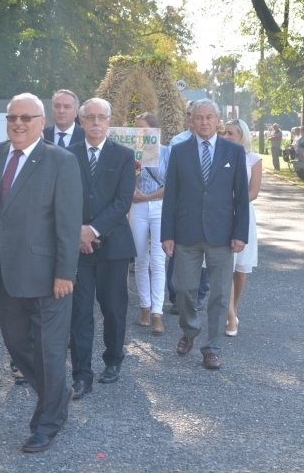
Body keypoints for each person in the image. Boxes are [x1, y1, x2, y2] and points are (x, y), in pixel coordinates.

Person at [0, 93, 82, 453]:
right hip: (3, 273)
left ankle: (47, 421)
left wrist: (65, 272)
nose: (18, 123)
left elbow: (67, 222)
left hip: (48, 276)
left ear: (41, 122)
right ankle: (58, 393)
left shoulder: (61, 161)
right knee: (16, 344)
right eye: (12, 117)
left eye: (26, 117)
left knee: (48, 350)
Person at [161, 98, 249, 370]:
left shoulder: (233, 153)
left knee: (220, 295)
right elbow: (171, 195)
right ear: (191, 121)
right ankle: (189, 330)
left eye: (209, 117)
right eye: (199, 117)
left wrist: (240, 233)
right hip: (186, 231)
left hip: (221, 234)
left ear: (218, 121)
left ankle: (211, 347)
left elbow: (241, 198)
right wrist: (167, 234)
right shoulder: (180, 151)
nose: (204, 122)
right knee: (184, 289)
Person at [67, 97, 136, 397]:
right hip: (76, 250)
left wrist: (92, 230)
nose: (96, 122)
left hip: (113, 246)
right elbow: (62, 200)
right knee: (79, 312)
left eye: (101, 117)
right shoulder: (66, 156)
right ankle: (82, 373)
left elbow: (123, 200)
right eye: (90, 117)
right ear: (80, 122)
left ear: (109, 121)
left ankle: (113, 360)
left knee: (113, 308)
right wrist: (78, 234)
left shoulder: (123, 156)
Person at [166, 100, 209, 316]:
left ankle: (199, 294)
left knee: (203, 259)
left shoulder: (218, 145)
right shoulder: (178, 142)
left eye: (202, 115)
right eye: (192, 115)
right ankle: (177, 297)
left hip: (207, 216)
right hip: (184, 212)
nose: (196, 119)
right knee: (179, 258)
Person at [130, 112, 169, 334]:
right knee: (140, 259)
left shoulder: (166, 152)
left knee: (158, 259)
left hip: (160, 206)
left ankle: (157, 312)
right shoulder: (131, 152)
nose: (139, 133)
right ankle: (144, 307)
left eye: (143, 128)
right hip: (137, 207)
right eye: (136, 129)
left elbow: (172, 183)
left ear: (154, 131)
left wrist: (147, 196)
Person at [223, 119, 261, 336]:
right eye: (225, 133)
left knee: (240, 269)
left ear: (242, 136)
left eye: (230, 133)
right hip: (223, 215)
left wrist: (235, 203)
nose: (226, 137)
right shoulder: (222, 156)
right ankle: (229, 317)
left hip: (244, 214)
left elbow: (254, 192)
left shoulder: (253, 159)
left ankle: (234, 309)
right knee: (226, 265)